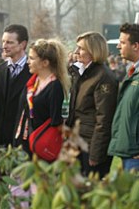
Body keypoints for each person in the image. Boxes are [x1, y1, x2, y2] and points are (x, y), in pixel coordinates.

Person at [66, 31, 118, 179]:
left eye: (81, 48)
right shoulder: (81, 74)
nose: (76, 52)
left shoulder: (103, 77)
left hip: (90, 147)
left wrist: (96, 154)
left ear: (93, 51)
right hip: (77, 143)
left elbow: (104, 119)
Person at [14, 39, 71, 157]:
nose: (28, 62)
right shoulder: (31, 83)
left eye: (32, 58)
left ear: (45, 63)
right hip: (25, 141)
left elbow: (55, 121)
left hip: (42, 144)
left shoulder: (54, 86)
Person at [0, 24, 31, 175]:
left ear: (23, 44)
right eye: (3, 42)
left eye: (9, 42)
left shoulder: (34, 72)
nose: (4, 46)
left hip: (22, 143)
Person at [108, 23, 139, 171]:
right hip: (129, 151)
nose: (119, 47)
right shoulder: (132, 71)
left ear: (136, 46)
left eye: (122, 42)